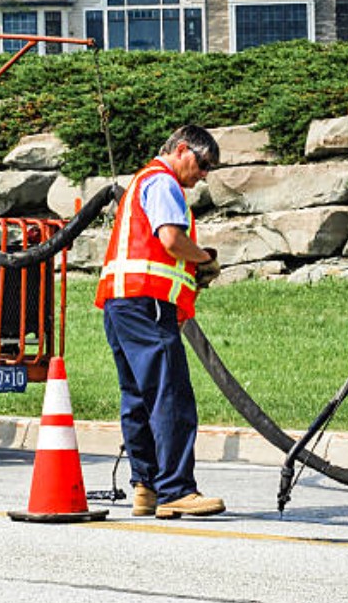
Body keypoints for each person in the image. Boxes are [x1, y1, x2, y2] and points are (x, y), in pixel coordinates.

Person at [95, 124, 225, 520]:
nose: (204, 175)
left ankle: (146, 486)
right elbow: (171, 240)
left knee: (137, 396)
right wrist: (204, 259)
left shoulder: (141, 182)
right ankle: (176, 490)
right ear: (182, 149)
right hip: (147, 304)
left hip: (121, 305)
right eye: (203, 165)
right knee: (170, 395)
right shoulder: (163, 183)